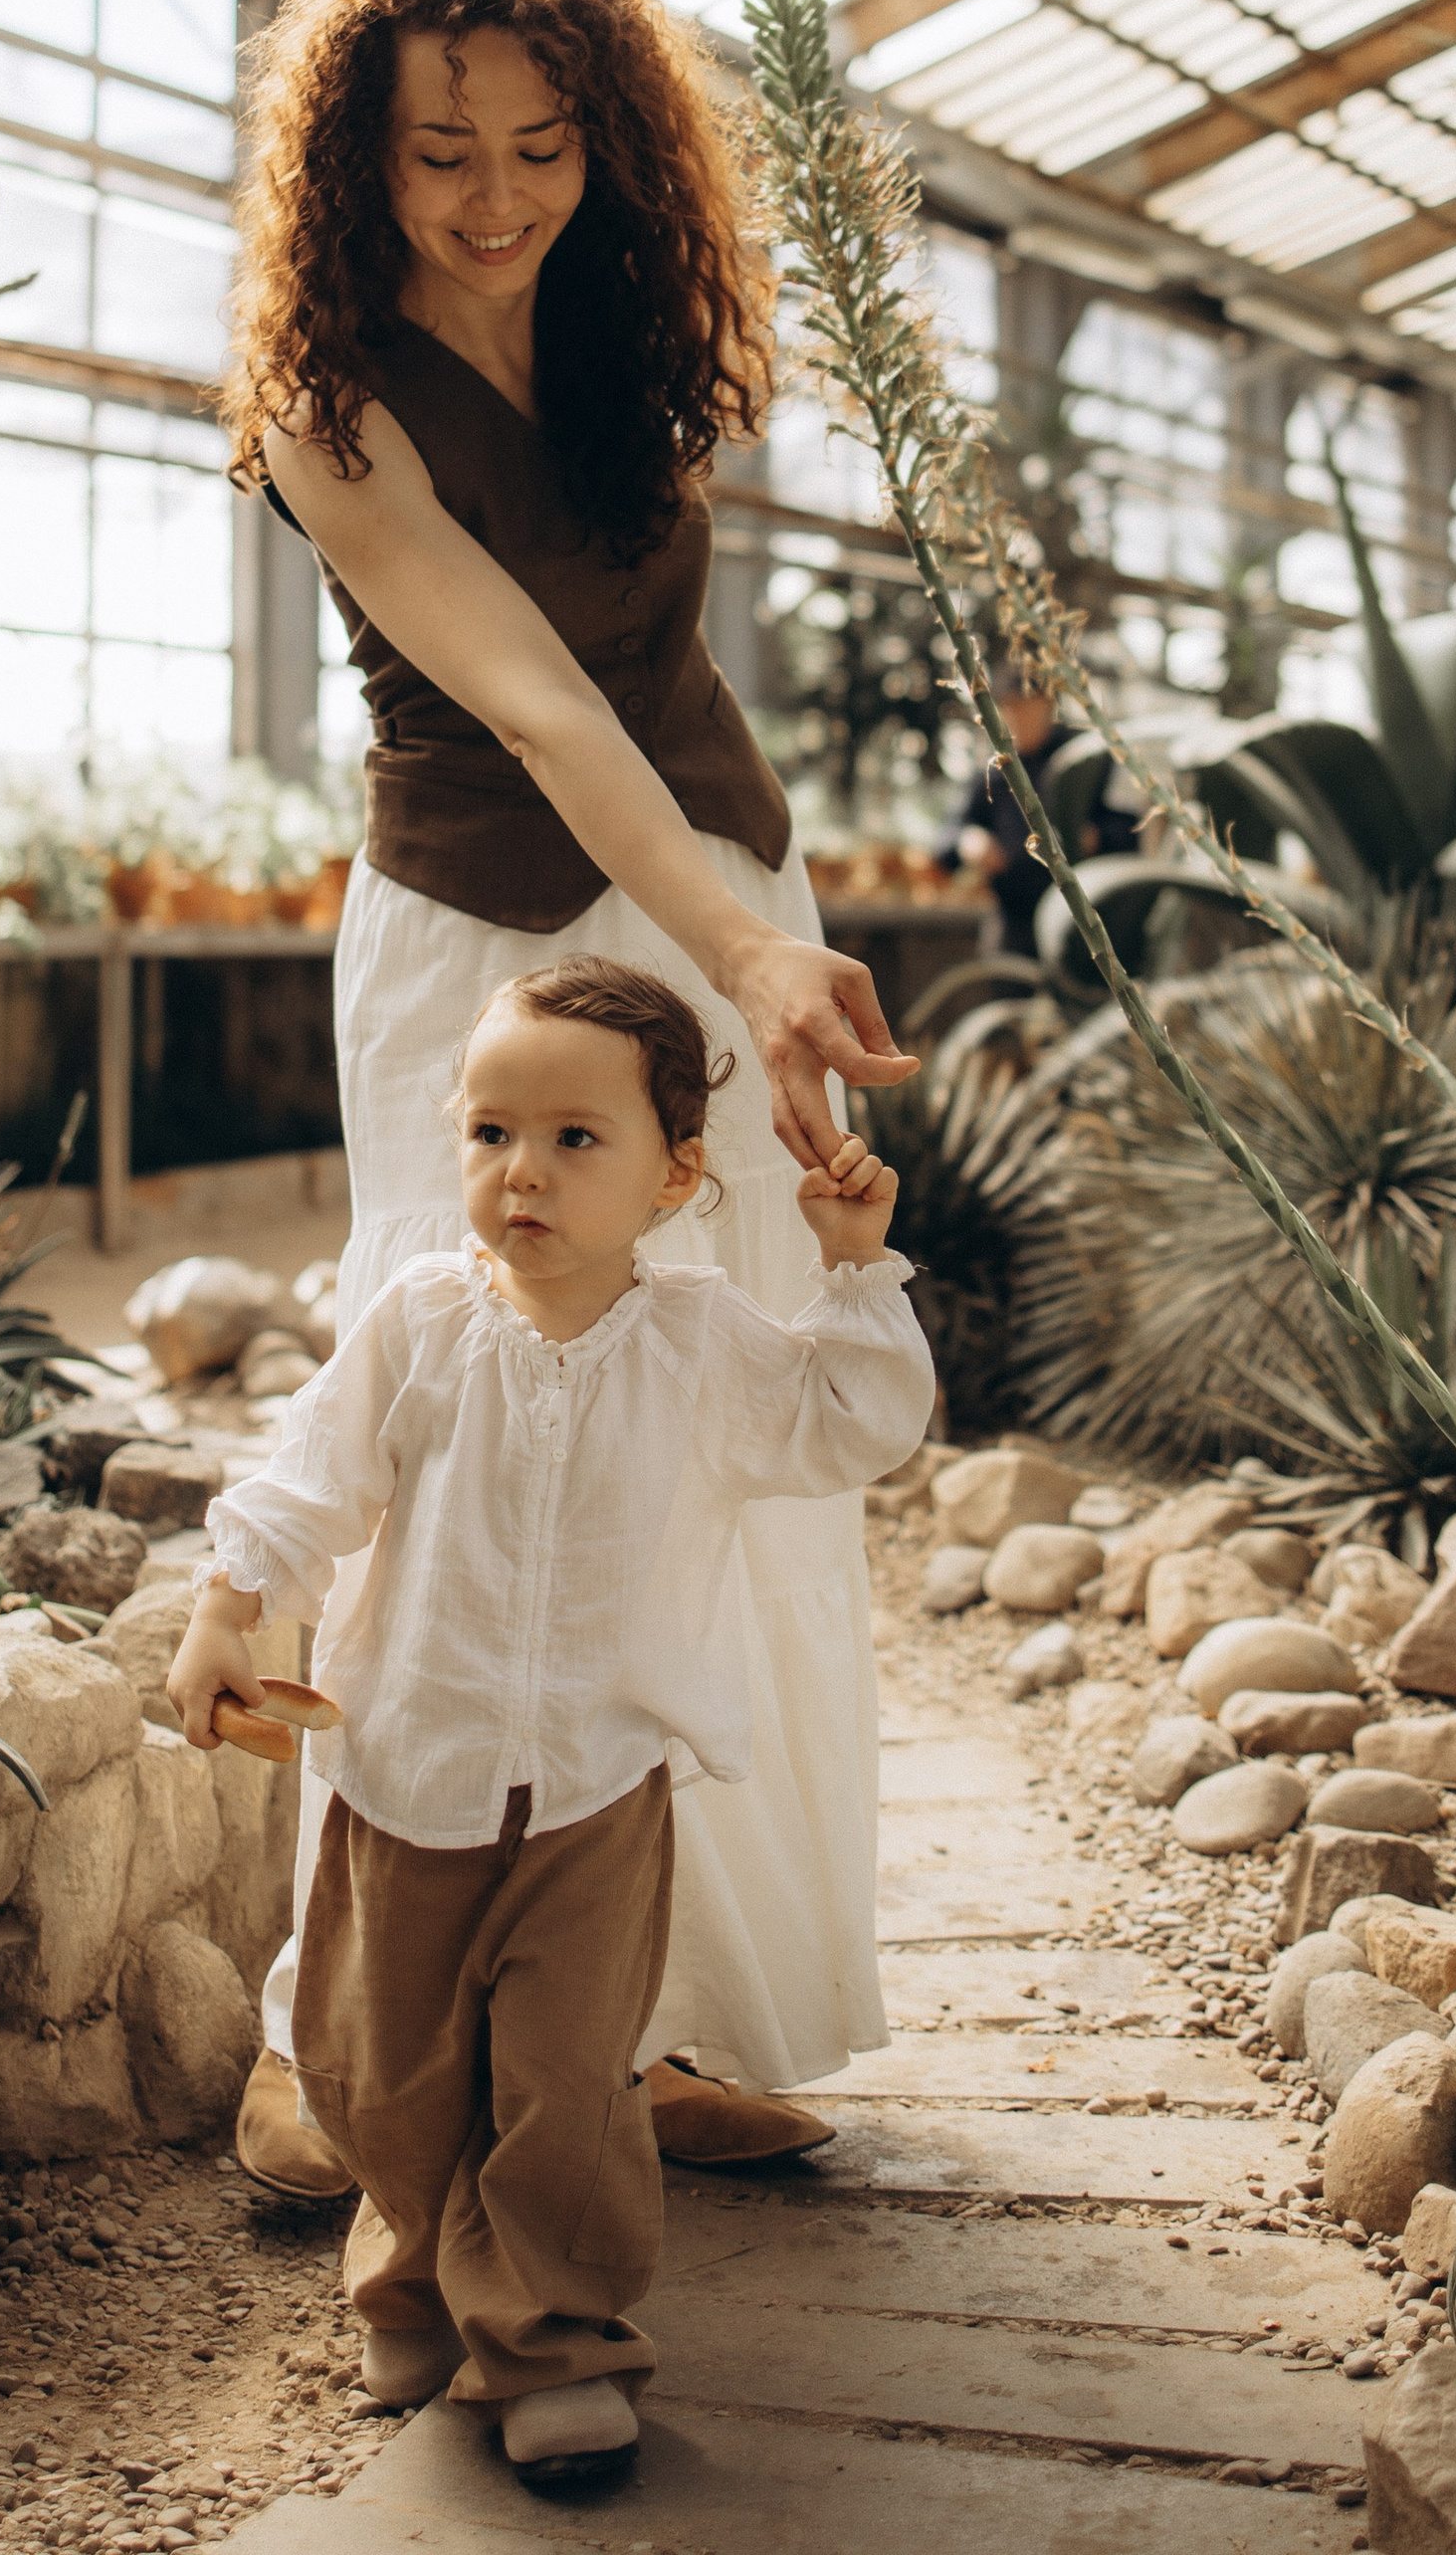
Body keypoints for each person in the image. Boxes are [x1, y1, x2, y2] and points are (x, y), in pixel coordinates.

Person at [216, 0, 921, 2191]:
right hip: (479, 950)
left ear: (600, 145)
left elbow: (658, 685)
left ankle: (677, 2006)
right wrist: (736, 944)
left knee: (711, 1435)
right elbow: (527, 697)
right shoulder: (329, 408)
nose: (495, 194)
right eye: (441, 152)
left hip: (727, 910)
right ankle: (340, 2044)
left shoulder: (630, 339)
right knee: (439, 1429)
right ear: (363, 159)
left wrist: (750, 949)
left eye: (538, 145)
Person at [168, 959, 928, 2485]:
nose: (523, 1171)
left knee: (566, 2085)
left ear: (675, 1178)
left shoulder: (703, 1344)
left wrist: (854, 1270)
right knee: (387, 2072)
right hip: (405, 1776)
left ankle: (554, 2341)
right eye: (490, 1132)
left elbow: (853, 1425)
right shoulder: (422, 1323)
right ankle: (409, 2276)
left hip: (595, 1787)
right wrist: (226, 1608)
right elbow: (312, 1476)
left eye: (577, 1140)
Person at [938, 663, 1131, 957]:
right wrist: (968, 841)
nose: (1017, 717)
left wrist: (1096, 837)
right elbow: (948, 836)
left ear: (1048, 704)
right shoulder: (994, 769)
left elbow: (1132, 829)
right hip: (1014, 918)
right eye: (1009, 708)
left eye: (1027, 706)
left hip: (1083, 915)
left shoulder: (1087, 759)